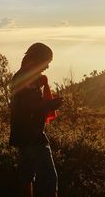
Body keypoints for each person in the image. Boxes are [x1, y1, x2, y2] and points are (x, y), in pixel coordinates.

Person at [9, 43, 63, 197]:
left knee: (27, 177)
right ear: (37, 59)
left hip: (22, 135)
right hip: (33, 136)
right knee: (49, 180)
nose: (47, 67)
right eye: (46, 62)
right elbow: (30, 106)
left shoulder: (22, 75)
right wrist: (52, 104)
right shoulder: (27, 78)